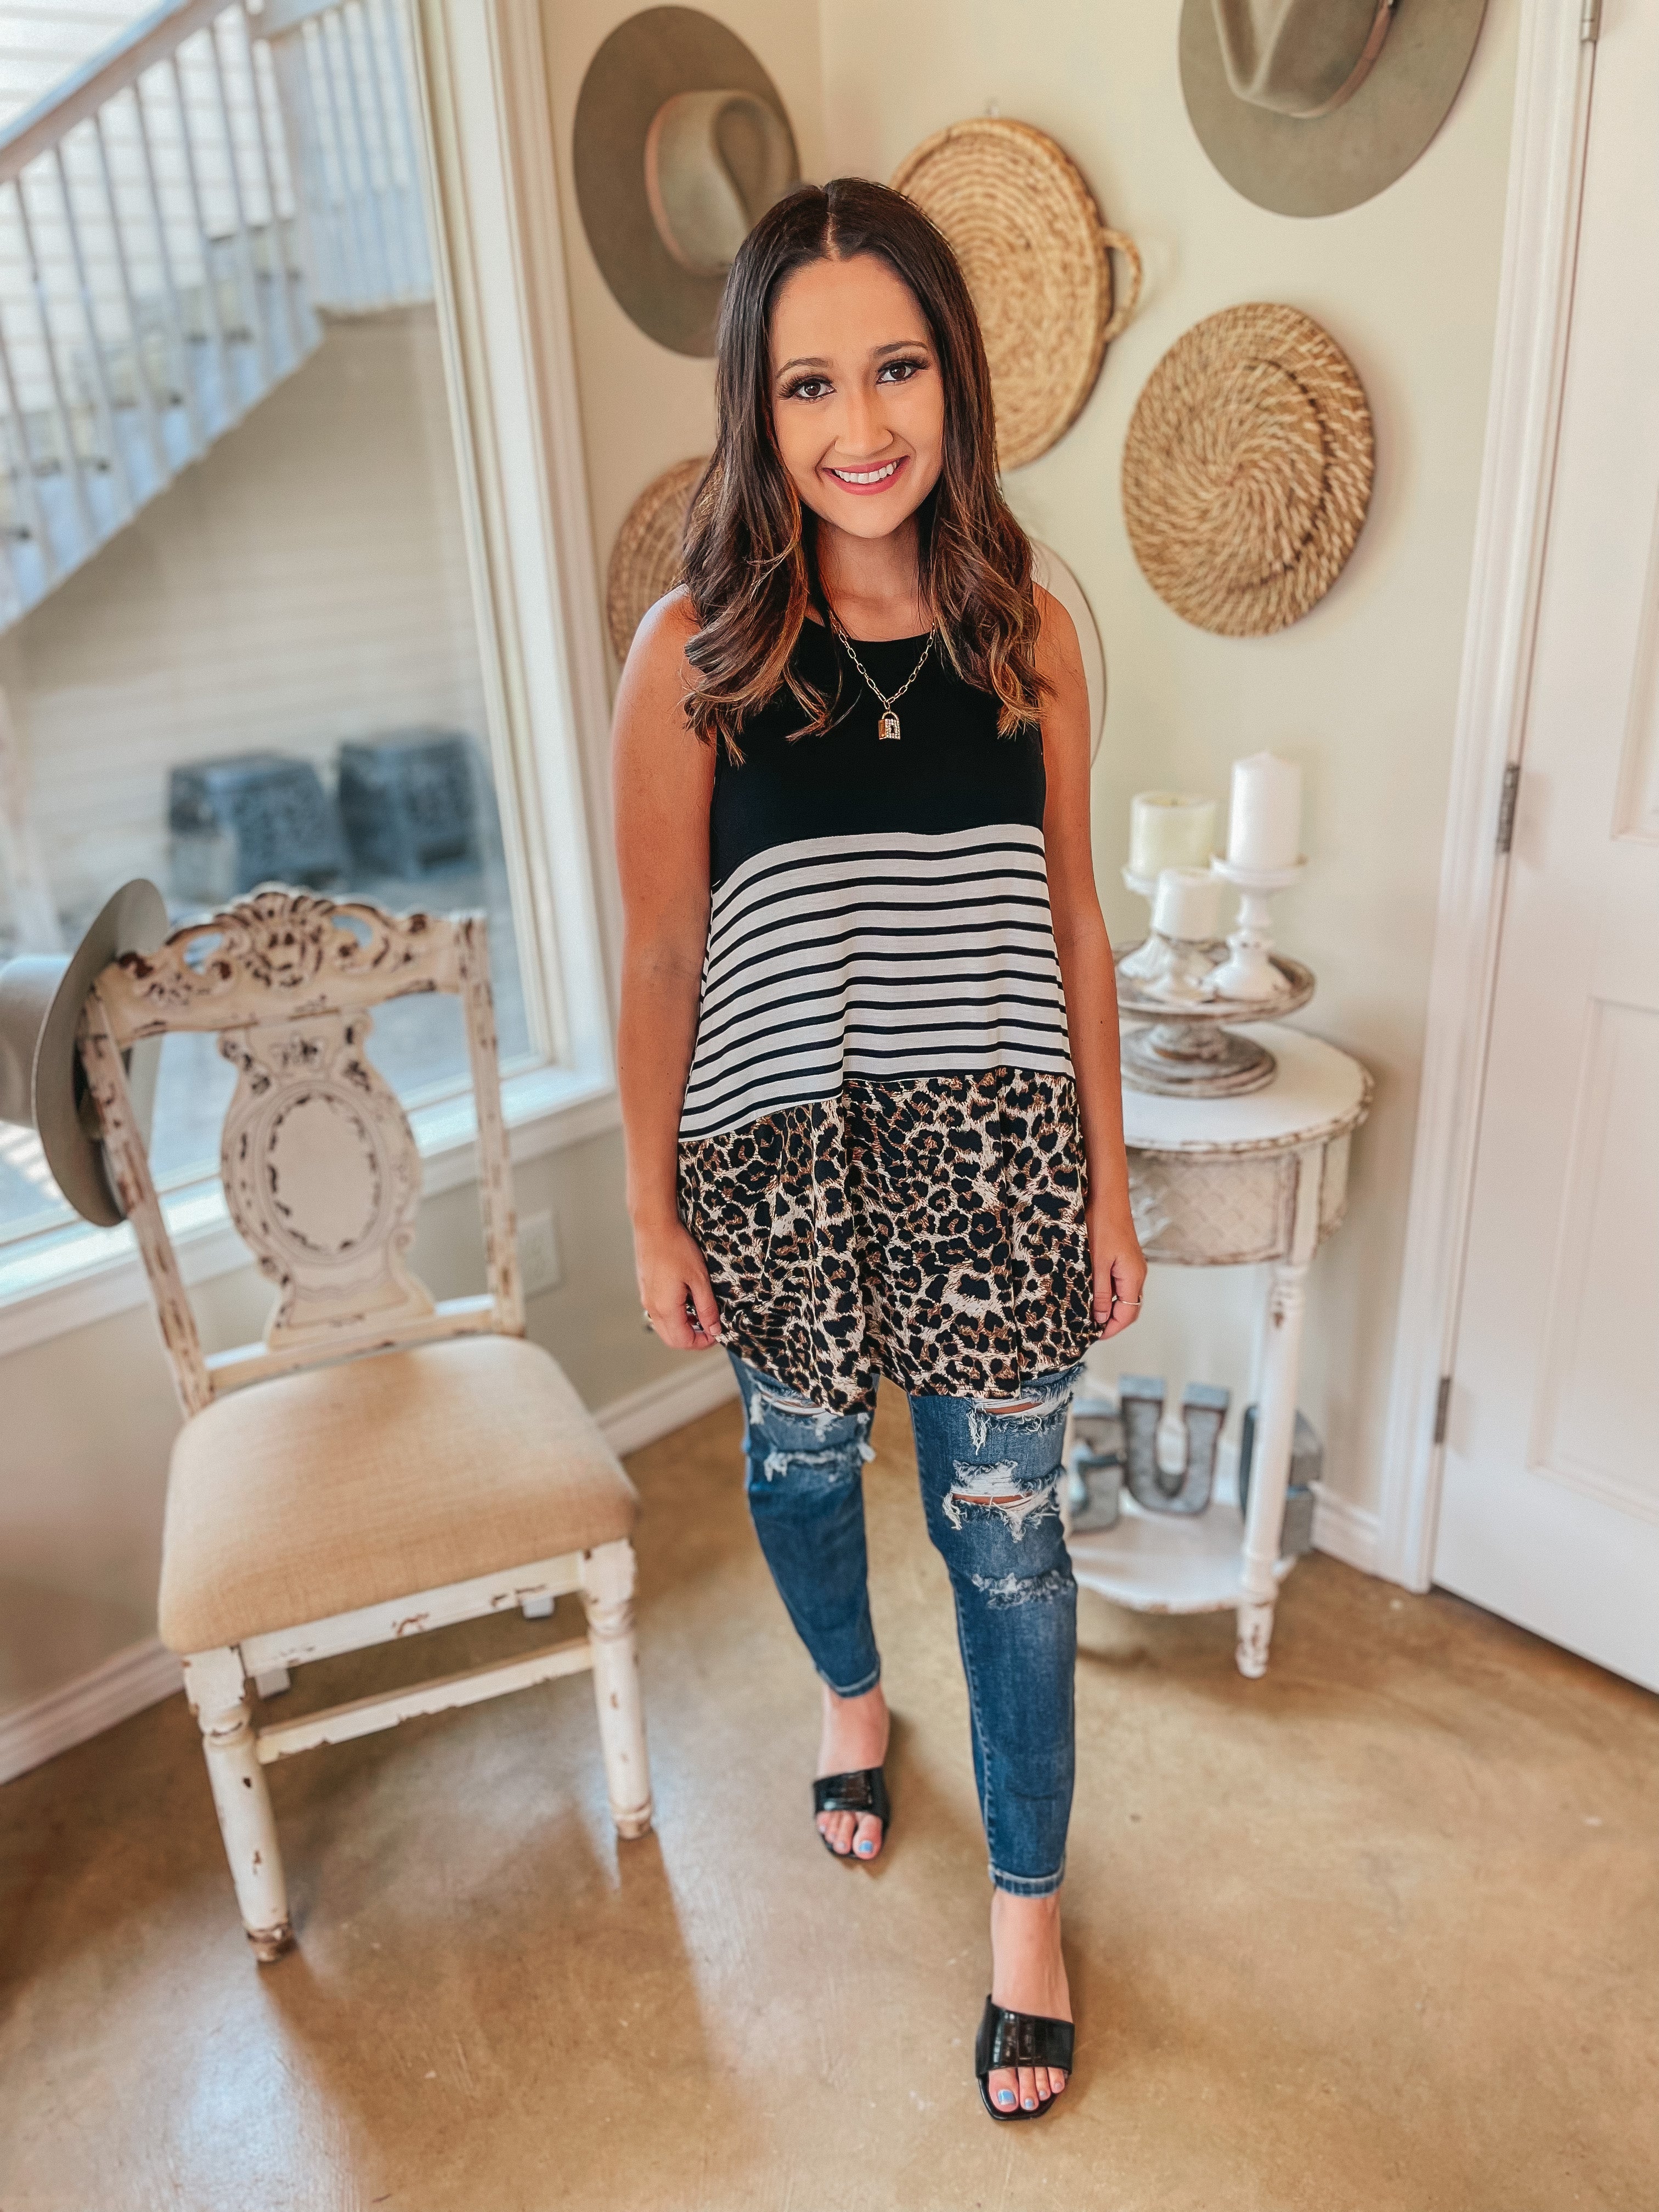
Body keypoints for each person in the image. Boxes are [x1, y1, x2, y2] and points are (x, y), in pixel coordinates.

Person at [611, 176, 1146, 2123]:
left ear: (955, 379)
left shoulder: (1032, 633)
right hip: (780, 1162)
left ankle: (1027, 1913)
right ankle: (852, 1694)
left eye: (898, 368)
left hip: (1003, 1158)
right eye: (811, 382)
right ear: (756, 407)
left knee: (1009, 1539)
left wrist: (1108, 1179)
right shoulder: (694, 651)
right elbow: (663, 952)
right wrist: (651, 1207)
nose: (862, 426)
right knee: (803, 1470)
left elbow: (1074, 921)